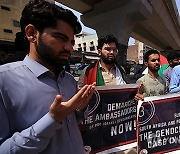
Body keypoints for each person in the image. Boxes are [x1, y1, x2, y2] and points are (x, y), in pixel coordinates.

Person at [0, 0, 95, 153]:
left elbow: (72, 123)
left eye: (71, 41)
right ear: (32, 34)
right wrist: (52, 119)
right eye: (60, 38)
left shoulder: (69, 80)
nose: (69, 47)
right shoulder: (3, 81)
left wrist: (79, 109)